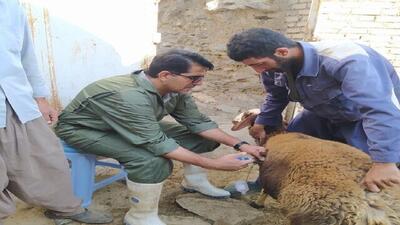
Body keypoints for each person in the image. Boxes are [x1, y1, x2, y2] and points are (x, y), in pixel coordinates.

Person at [55, 49, 265, 225]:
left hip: (132, 126)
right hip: (83, 129)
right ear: (165, 75)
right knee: (151, 161)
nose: (199, 83)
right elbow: (158, 144)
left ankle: (194, 181)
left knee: (204, 138)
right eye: (194, 78)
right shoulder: (128, 96)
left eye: (201, 78)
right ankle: (140, 216)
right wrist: (216, 165)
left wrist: (242, 145)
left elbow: (197, 123)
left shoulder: (176, 90)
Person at [226, 28, 400, 193]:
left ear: (282, 52)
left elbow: (379, 110)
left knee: (365, 166)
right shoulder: (274, 65)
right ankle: (265, 185)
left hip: (360, 118)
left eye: (260, 64)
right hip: (319, 113)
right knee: (281, 151)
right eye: (251, 66)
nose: (258, 70)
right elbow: (276, 95)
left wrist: (384, 162)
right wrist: (264, 121)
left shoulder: (348, 60)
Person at [0, 0, 112, 224]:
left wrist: (40, 99)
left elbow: (26, 56)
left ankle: (65, 208)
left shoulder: (11, 6)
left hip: (16, 100)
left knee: (48, 158)